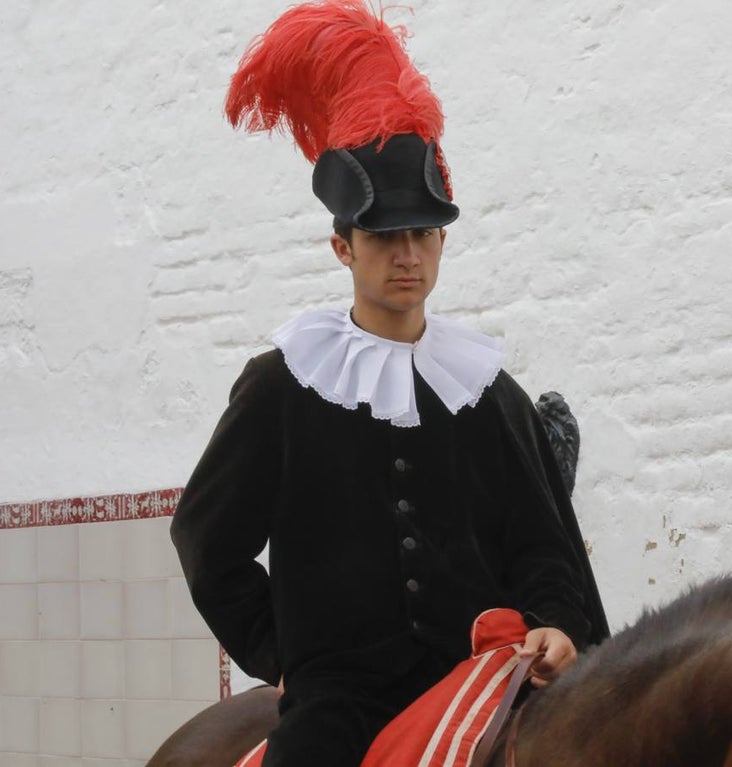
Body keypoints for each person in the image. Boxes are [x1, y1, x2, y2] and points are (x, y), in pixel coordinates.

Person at [169, 3, 609, 765]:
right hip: (337, 701)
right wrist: (282, 652)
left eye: (423, 234)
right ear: (342, 247)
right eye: (383, 236)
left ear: (441, 241)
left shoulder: (488, 391)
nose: (407, 255)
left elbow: (543, 545)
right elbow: (209, 541)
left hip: (482, 678)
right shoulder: (281, 387)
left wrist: (557, 622)